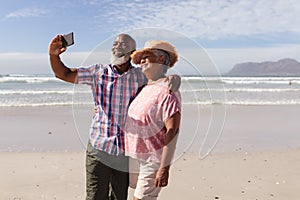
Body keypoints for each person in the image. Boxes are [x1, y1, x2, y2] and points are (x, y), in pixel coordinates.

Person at [48, 34, 180, 200]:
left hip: (124, 151)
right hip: (98, 147)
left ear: (132, 52)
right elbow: (64, 74)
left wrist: (173, 78)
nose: (117, 46)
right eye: (115, 43)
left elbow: (157, 79)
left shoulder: (140, 76)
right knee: (96, 196)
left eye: (123, 44)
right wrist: (54, 56)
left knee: (119, 197)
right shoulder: (97, 72)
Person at [125, 40, 181, 200]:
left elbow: (173, 130)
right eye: (140, 57)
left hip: (153, 159)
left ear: (162, 60)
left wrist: (164, 167)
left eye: (146, 56)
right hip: (134, 156)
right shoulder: (144, 87)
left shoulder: (168, 91)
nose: (141, 61)